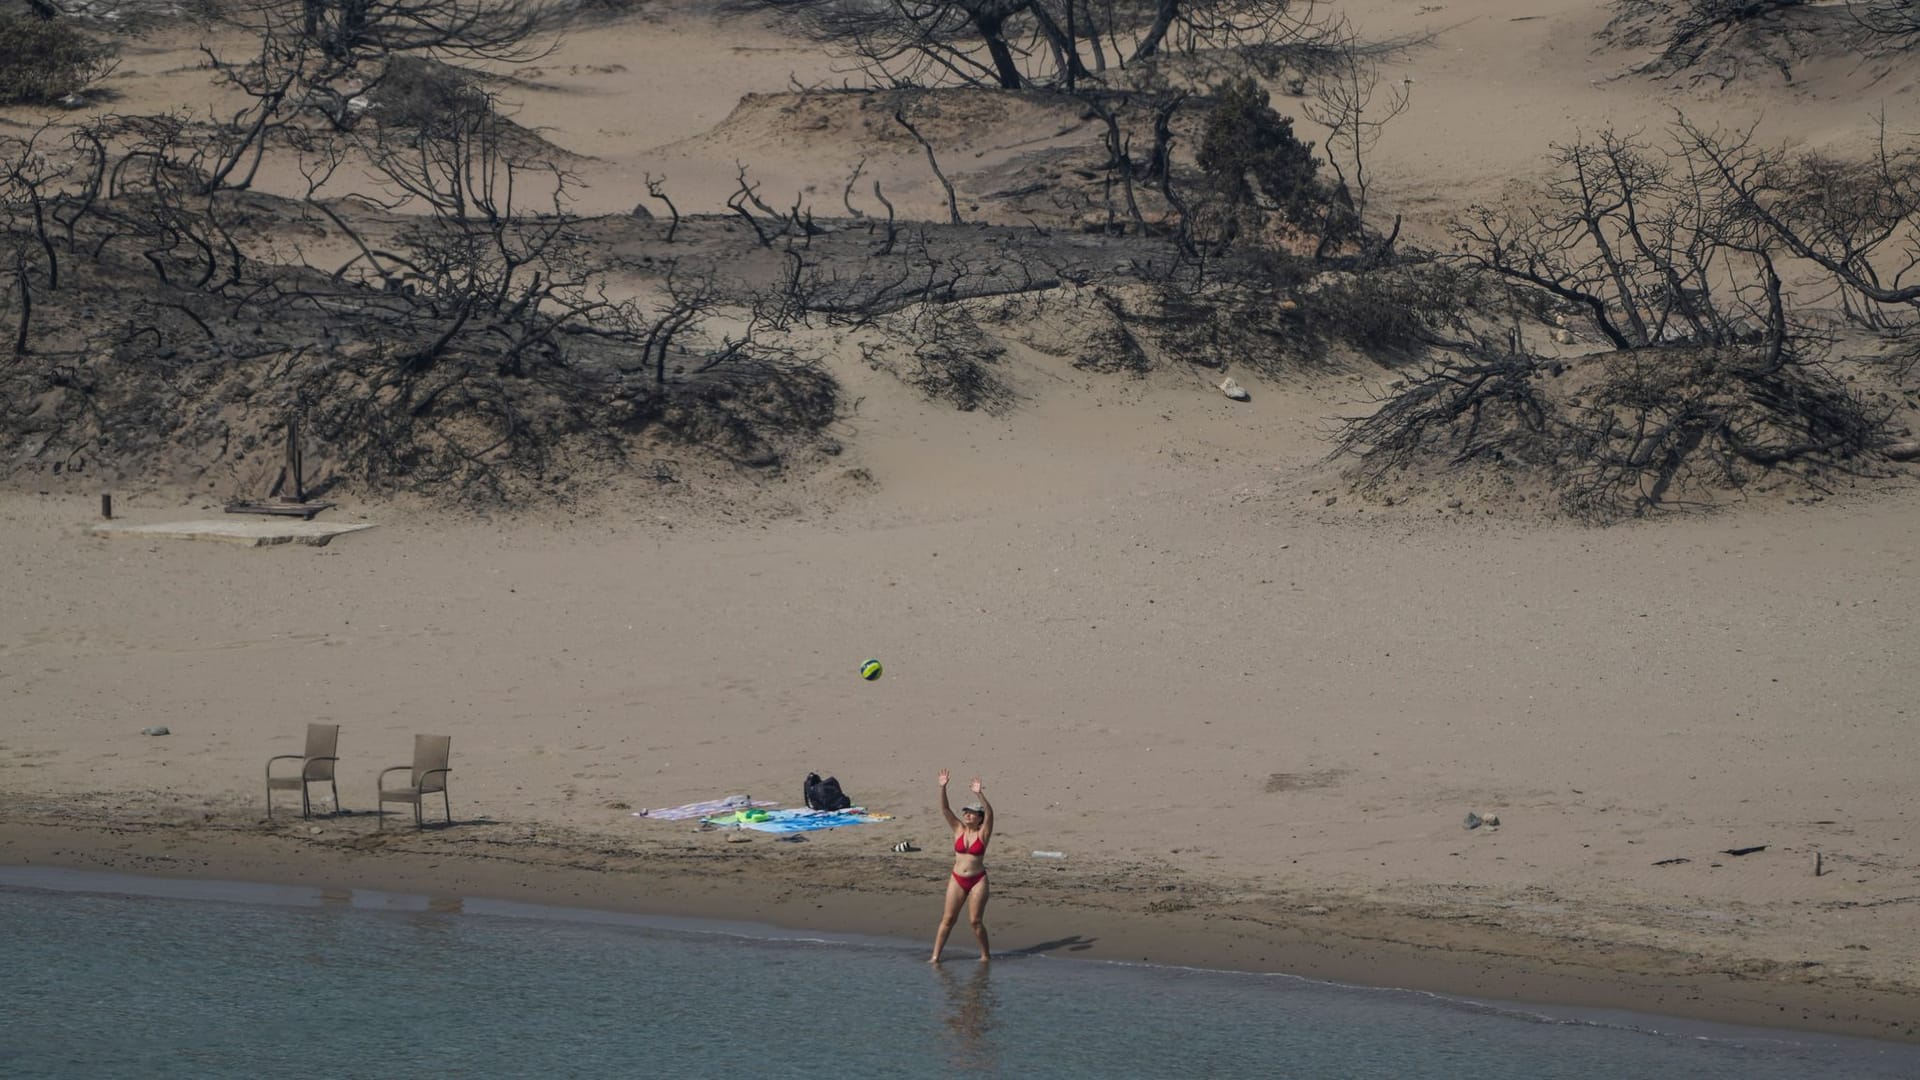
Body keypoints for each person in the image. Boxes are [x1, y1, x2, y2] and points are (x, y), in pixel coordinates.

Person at [930, 769, 992, 963]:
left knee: (975, 921)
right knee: (948, 919)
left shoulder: (983, 833)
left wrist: (979, 793)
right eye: (966, 812)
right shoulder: (958, 829)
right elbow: (945, 810)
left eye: (972, 813)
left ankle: (985, 956)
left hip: (977, 880)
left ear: (979, 818)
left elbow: (990, 813)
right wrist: (943, 788)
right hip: (957, 878)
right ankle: (935, 957)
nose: (967, 815)